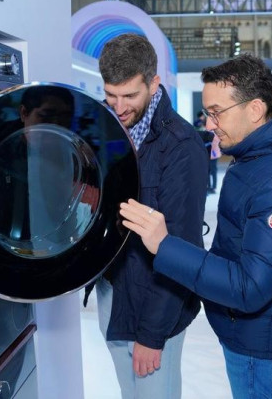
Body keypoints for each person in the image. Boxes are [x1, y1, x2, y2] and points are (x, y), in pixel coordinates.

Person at [118, 54, 272, 399]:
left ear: (255, 109)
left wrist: (165, 245)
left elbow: (250, 286)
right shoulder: (259, 157)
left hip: (262, 347)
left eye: (217, 112)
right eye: (207, 112)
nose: (209, 124)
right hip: (248, 335)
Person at [83, 33, 208, 399]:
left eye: (129, 96)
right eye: (111, 95)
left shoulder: (181, 146)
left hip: (156, 301)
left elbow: (181, 250)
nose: (118, 106)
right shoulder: (104, 131)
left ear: (154, 84)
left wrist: (152, 336)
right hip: (113, 292)